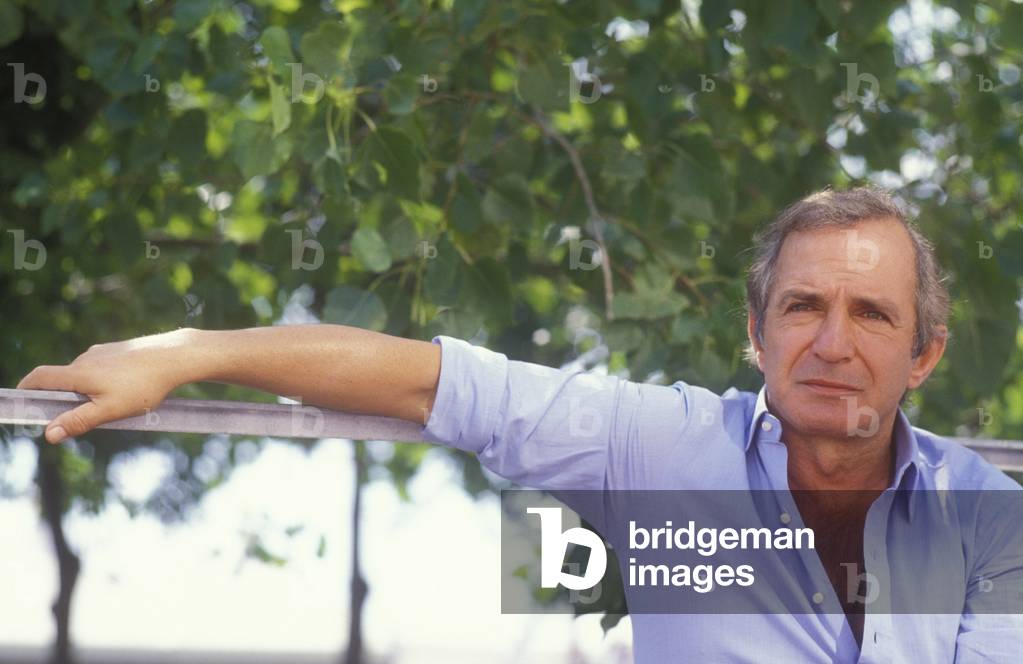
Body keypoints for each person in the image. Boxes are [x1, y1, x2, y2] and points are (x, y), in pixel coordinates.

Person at [17, 186, 1022, 662]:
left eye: (873, 314)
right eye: (803, 308)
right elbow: (435, 383)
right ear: (756, 336)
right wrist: (186, 353)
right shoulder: (660, 446)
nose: (833, 343)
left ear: (924, 354)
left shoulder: (992, 522)